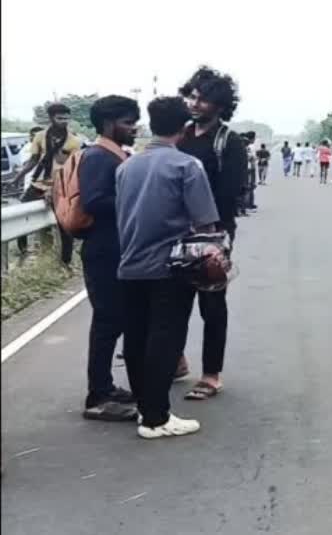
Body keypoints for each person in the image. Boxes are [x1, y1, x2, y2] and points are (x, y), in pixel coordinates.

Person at [116, 96, 221, 439]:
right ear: (184, 127)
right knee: (166, 337)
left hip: (130, 262)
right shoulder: (187, 166)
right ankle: (156, 417)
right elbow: (205, 220)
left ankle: (146, 409)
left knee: (136, 336)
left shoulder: (126, 166)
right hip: (170, 265)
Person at [174, 67, 247, 401]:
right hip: (173, 232)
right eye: (191, 96)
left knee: (211, 303)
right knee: (172, 300)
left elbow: (232, 191)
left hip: (212, 234)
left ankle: (211, 374)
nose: (194, 103)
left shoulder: (228, 142)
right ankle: (176, 360)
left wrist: (208, 227)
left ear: (219, 105)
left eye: (202, 99)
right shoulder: (178, 135)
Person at [78, 96, 140, 421]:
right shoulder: (99, 157)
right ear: (108, 124)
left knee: (114, 321)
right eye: (129, 122)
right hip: (103, 253)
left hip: (114, 250)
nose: (134, 128)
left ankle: (105, 386)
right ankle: (97, 396)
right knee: (106, 323)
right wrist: (136, 198)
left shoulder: (114, 156)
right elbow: (93, 202)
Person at [12, 104, 81, 264]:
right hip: (38, 184)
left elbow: (71, 169)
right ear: (51, 118)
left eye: (66, 118)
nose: (64, 122)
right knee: (22, 216)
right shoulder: (40, 137)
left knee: (64, 226)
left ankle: (66, 262)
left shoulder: (73, 141)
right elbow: (33, 161)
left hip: (60, 187)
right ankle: (23, 253)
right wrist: (17, 177)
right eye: (60, 118)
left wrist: (55, 188)